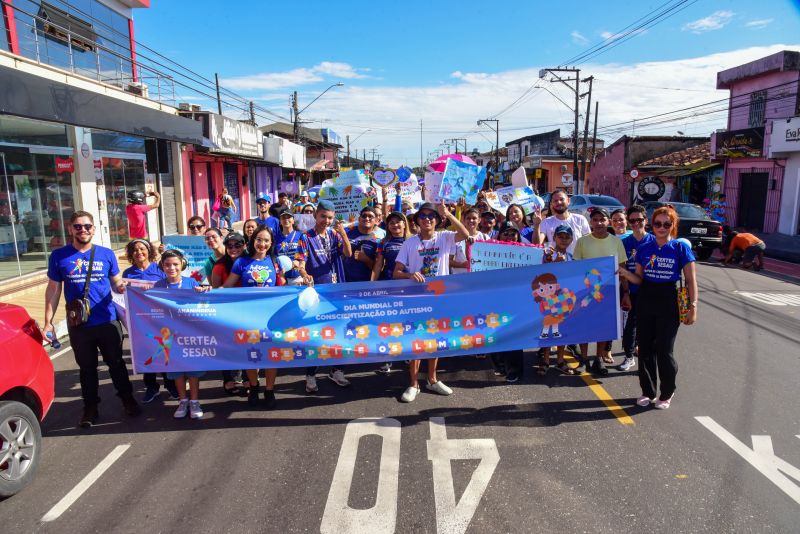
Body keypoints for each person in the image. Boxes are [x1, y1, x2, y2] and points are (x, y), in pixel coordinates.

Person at [44, 211, 141, 428]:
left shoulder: (106, 254)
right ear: (70, 229)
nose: (83, 230)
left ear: (94, 229)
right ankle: (90, 408)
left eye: (87, 226)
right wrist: (48, 321)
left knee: (116, 364)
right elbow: (53, 290)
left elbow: (116, 282)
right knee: (87, 369)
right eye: (78, 226)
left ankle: (128, 400)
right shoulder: (59, 256)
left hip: (107, 321)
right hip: (79, 325)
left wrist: (122, 287)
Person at [617, 206, 697, 409]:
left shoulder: (680, 248)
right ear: (652, 225)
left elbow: (690, 280)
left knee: (664, 350)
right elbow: (639, 279)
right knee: (645, 349)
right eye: (658, 223)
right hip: (646, 298)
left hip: (669, 301)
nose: (662, 227)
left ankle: (667, 392)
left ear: (673, 226)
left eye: (667, 224)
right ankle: (648, 391)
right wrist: (624, 273)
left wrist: (693, 306)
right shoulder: (644, 248)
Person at [392, 202, 469, 402]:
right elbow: (396, 272)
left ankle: (433, 380)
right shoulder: (409, 243)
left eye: (431, 216)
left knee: (435, 339)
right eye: (423, 216)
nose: (427, 219)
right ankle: (413, 383)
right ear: (416, 220)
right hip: (417, 299)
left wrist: (449, 215)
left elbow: (465, 233)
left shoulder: (444, 237)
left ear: (437, 220)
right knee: (416, 340)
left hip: (440, 298)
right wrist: (410, 275)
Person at [294, 199, 353, 393]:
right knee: (317, 334)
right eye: (322, 217)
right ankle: (311, 375)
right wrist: (304, 274)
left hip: (337, 291)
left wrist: (343, 234)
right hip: (317, 293)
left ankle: (337, 370)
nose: (326, 221)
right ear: (315, 215)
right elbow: (299, 261)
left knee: (339, 332)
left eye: (329, 218)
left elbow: (348, 253)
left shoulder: (335, 234)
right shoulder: (305, 237)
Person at [223, 226, 285, 408]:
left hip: (271, 317)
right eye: (259, 239)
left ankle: (270, 390)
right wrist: (205, 290)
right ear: (252, 241)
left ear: (271, 243)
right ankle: (254, 387)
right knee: (251, 354)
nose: (262, 244)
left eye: (266, 240)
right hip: (248, 316)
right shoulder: (241, 262)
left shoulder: (275, 262)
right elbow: (227, 287)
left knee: (271, 355)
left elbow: (283, 288)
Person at [154, 249, 211, 419]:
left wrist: (203, 292)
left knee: (192, 369)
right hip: (169, 335)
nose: (172, 268)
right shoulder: (159, 286)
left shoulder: (191, 282)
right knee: (176, 370)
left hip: (189, 333)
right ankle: (183, 400)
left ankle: (194, 401)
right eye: (167, 265)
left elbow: (202, 305)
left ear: (182, 265)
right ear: (162, 267)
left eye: (175, 264)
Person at [572, 207, 630, 376]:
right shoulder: (582, 241)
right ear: (591, 222)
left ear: (608, 222)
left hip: (609, 292)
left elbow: (622, 268)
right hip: (586, 291)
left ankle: (598, 359)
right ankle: (583, 360)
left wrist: (625, 292)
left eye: (602, 219)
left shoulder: (616, 242)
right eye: (595, 220)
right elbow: (577, 267)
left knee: (602, 327)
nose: (599, 223)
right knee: (584, 326)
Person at [121, 238, 179, 403]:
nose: (139, 252)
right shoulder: (128, 274)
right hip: (142, 320)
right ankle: (151, 387)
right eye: (135, 250)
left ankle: (171, 384)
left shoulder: (159, 269)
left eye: (142, 249)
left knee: (166, 350)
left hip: (162, 318)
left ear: (149, 251)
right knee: (147, 352)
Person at [210, 232, 248, 396]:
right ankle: (228, 379)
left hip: (248, 311)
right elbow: (215, 290)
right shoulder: (219, 265)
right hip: (227, 312)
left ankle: (249, 378)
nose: (233, 248)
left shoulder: (251, 262)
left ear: (244, 245)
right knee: (227, 346)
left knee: (248, 345)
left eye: (237, 245)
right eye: (229, 245)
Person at [538, 224, 578, 376]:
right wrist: (555, 263)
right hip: (548, 300)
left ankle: (560, 360)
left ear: (571, 239)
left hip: (563, 300)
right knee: (547, 328)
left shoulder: (571, 257)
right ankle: (546, 360)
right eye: (560, 236)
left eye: (567, 237)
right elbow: (543, 273)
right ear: (554, 237)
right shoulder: (547, 253)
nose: (563, 239)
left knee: (563, 330)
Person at [489, 221, 526, 382]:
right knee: (495, 332)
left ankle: (514, 369)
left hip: (516, 300)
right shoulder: (488, 251)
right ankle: (499, 364)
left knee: (515, 335)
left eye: (513, 233)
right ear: (499, 235)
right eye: (506, 233)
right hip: (495, 299)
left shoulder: (526, 252)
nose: (510, 236)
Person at [619, 205, 654, 372]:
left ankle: (648, 360)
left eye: (639, 220)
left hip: (651, 292)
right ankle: (628, 357)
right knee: (630, 326)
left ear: (645, 221)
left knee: (650, 327)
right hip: (632, 292)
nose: (635, 223)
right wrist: (625, 293)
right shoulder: (624, 243)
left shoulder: (654, 241)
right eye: (632, 220)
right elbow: (622, 269)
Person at [343, 206, 380, 283]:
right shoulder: (346, 233)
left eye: (370, 216)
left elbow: (378, 267)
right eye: (364, 216)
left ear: (376, 220)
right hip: (344, 281)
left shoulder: (377, 241)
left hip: (365, 284)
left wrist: (366, 259)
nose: (367, 218)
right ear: (359, 219)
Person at [450, 208, 490, 274]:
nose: (471, 220)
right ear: (464, 220)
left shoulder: (485, 238)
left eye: (474, 218)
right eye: (468, 218)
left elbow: (489, 259)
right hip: (459, 280)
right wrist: (462, 265)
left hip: (479, 278)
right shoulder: (455, 237)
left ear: (479, 220)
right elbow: (448, 261)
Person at [274, 206, 304, 285]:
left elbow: (305, 255)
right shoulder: (275, 238)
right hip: (281, 278)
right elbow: (273, 257)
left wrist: (299, 262)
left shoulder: (301, 236)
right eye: (283, 218)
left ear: (293, 220)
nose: (286, 220)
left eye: (289, 217)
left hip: (297, 277)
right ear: (280, 221)